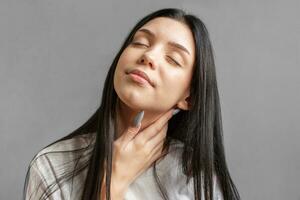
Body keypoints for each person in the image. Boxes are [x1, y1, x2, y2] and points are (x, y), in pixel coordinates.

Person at [23, 8, 241, 200]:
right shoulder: (52, 168)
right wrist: (112, 184)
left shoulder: (198, 179)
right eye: (140, 43)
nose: (148, 55)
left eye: (173, 59)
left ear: (189, 98)